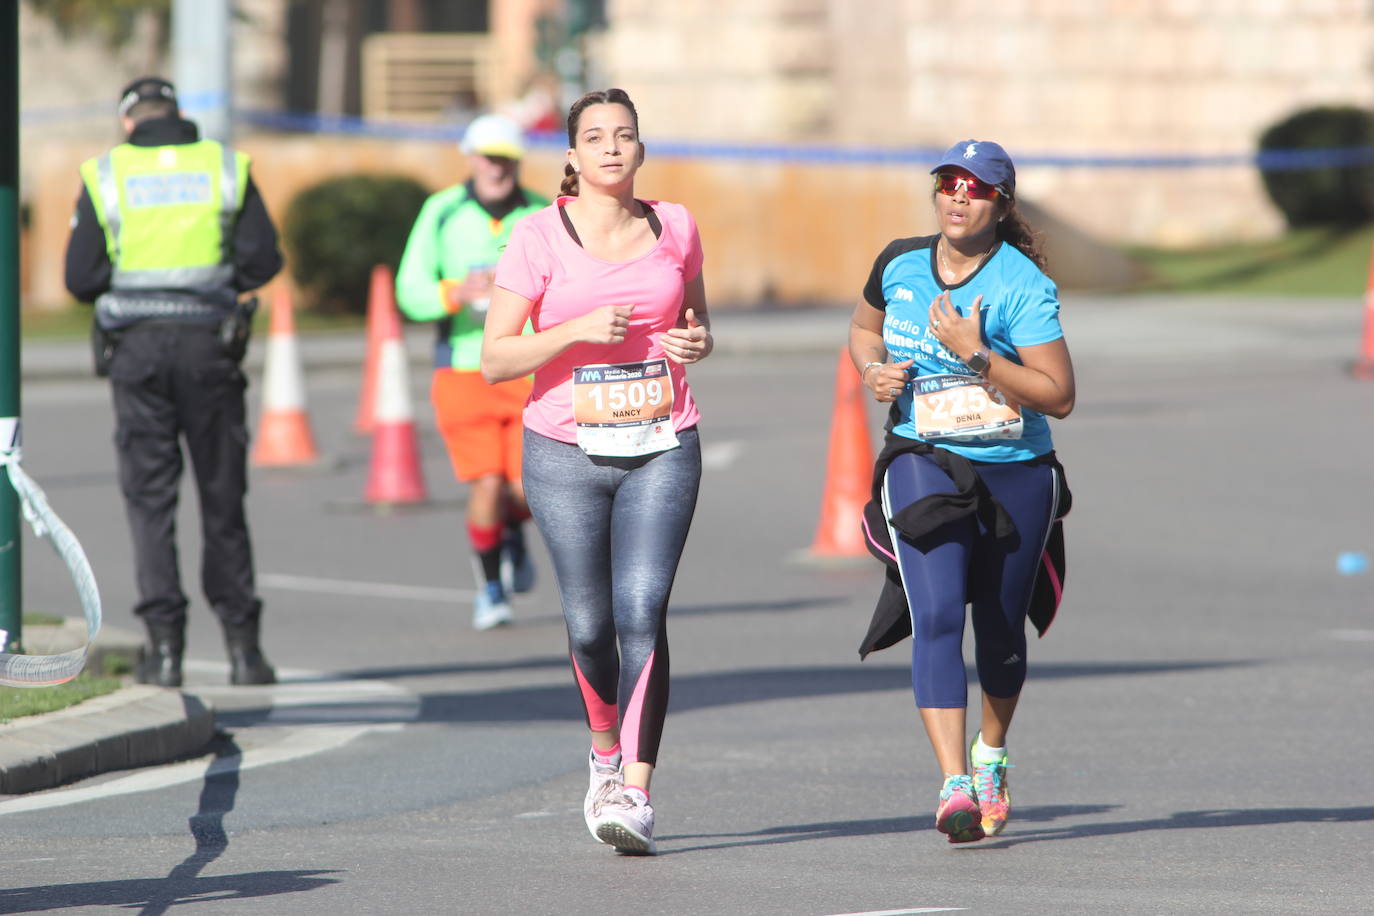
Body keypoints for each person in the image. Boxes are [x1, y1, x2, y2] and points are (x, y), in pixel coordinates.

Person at [481, 88, 712, 855]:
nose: (613, 148)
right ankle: (604, 750)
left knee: (643, 608)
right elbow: (494, 358)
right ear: (572, 156)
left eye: (626, 135)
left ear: (641, 150)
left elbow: (694, 322)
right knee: (589, 626)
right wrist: (573, 329)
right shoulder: (536, 237)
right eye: (595, 137)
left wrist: (692, 345)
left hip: (662, 443)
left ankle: (635, 789)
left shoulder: (675, 225)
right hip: (564, 450)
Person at [848, 140, 1075, 844]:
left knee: (1001, 630)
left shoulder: (1022, 285)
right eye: (948, 182)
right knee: (939, 612)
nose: (958, 195)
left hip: (1015, 468)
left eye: (976, 187)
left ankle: (991, 754)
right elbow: (863, 330)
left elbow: (1060, 395)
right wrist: (873, 370)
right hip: (924, 459)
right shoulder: (899, 264)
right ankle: (952, 785)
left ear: (1001, 204)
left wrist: (979, 355)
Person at [64, 77, 283, 687]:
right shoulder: (225, 167)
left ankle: (164, 653)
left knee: (149, 500)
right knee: (221, 496)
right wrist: (213, 283)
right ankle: (245, 651)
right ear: (179, 117)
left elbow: (81, 277)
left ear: (128, 121)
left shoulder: (106, 173)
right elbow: (263, 259)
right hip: (209, 349)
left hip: (137, 351)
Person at [395, 114, 550, 631]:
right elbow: (409, 290)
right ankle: (489, 587)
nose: (497, 168)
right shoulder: (441, 211)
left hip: (528, 369)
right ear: (471, 159)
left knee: (528, 489)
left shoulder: (540, 213)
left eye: (507, 158)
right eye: (489, 157)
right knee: (486, 483)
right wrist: (453, 293)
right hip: (462, 368)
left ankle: (512, 535)